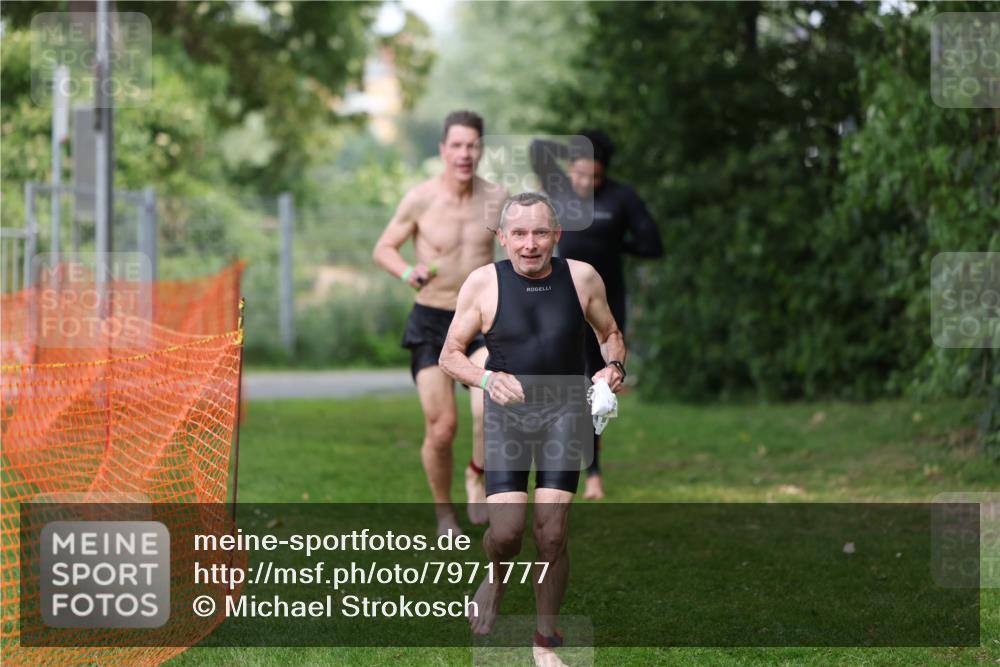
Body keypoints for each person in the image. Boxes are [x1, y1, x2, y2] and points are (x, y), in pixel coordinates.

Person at [439, 192, 626, 667]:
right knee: (505, 533)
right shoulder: (482, 284)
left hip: (566, 411)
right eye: (518, 234)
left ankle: (545, 639)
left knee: (552, 533)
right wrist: (485, 378)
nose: (529, 244)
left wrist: (614, 368)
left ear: (556, 235)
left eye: (540, 232)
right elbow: (450, 355)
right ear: (502, 238)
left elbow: (609, 334)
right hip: (510, 415)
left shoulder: (582, 277)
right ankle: (496, 577)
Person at [373, 110, 508, 535]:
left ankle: (476, 473)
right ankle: (444, 513)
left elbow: (523, 247)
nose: (465, 154)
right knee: (443, 426)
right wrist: (406, 272)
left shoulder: (498, 197)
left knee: (488, 401)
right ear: (443, 150)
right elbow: (384, 247)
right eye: (457, 145)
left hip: (480, 320)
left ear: (480, 149)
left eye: (472, 145)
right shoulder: (420, 198)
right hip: (431, 321)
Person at [529, 130, 662, 499]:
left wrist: (616, 239)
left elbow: (653, 244)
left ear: (606, 175)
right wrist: (576, 149)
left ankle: (594, 474)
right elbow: (538, 147)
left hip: (604, 304)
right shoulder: (557, 187)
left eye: (596, 176)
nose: (587, 182)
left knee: (595, 384)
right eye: (581, 173)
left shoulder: (621, 198)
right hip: (557, 301)